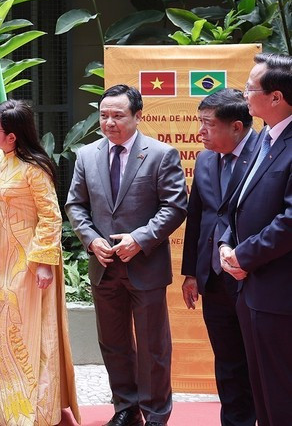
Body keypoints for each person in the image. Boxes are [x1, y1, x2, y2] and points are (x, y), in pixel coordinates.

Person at [65, 84, 187, 426]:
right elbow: (75, 204)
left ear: (137, 116)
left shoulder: (162, 154)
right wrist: (91, 240)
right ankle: (126, 409)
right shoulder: (87, 155)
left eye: (118, 116)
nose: (109, 123)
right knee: (114, 343)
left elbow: (175, 206)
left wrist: (139, 239)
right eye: (104, 116)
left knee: (153, 348)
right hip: (104, 266)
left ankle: (156, 414)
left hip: (145, 265)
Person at [0, 100, 80, 426]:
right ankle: (7, 405)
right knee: (5, 324)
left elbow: (51, 217)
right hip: (5, 256)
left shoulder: (34, 169)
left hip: (29, 258)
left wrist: (42, 262)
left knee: (27, 328)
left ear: (12, 137)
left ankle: (35, 411)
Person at [219, 52, 292, 425]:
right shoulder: (263, 138)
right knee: (261, 390)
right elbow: (237, 204)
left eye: (250, 88)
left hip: (279, 293)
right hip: (251, 291)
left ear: (276, 97)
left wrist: (244, 256)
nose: (244, 95)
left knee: (282, 393)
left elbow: (290, 221)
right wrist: (226, 245)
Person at [180, 89, 256, 426]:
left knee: (261, 361)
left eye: (208, 124)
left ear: (236, 126)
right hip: (214, 279)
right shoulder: (206, 158)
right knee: (227, 362)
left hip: (255, 278)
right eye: (200, 123)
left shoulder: (266, 154)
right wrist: (191, 274)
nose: (200, 132)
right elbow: (196, 218)